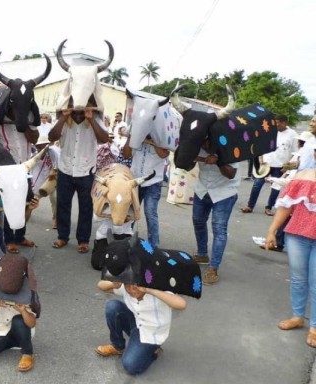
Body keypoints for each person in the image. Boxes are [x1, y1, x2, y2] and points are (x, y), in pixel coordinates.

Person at [264, 160, 316, 347]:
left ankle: (315, 327)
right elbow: (286, 206)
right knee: (298, 278)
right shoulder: (303, 176)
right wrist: (272, 230)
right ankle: (298, 316)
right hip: (297, 235)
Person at [49, 107, 109, 253]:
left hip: (86, 171)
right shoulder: (63, 121)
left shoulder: (95, 120)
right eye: (74, 112)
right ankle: (62, 237)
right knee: (62, 205)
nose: (77, 116)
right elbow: (52, 137)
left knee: (86, 208)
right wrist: (63, 117)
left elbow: (104, 139)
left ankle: (83, 240)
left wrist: (91, 119)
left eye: (80, 112)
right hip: (65, 170)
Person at [96, 279, 187, 375]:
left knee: (130, 365)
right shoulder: (128, 287)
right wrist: (114, 284)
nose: (132, 289)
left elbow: (181, 304)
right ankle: (118, 346)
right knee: (112, 306)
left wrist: (149, 290)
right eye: (127, 285)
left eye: (136, 286)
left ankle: (154, 351)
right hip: (136, 324)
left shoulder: (158, 291)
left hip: (151, 336)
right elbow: (100, 285)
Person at [0, 101, 39, 254]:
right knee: (9, 206)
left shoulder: (28, 120)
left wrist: (24, 125)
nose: (18, 112)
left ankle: (20, 236)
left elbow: (35, 139)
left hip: (25, 169)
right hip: (8, 172)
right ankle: (9, 240)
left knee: (26, 203)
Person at [191, 141, 240, 285]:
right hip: (202, 189)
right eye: (203, 141)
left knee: (219, 228)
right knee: (198, 221)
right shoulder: (197, 145)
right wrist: (189, 156)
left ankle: (213, 268)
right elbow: (187, 166)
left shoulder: (232, 147)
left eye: (208, 142)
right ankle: (202, 254)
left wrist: (218, 161)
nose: (205, 146)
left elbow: (231, 174)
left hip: (224, 193)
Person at [241, 115, 298, 216]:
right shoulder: (269, 131)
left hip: (280, 166)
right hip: (266, 164)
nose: (275, 125)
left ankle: (269, 207)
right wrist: (260, 156)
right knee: (257, 184)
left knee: (275, 187)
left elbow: (295, 153)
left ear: (284, 123)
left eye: (277, 123)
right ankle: (250, 206)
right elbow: (262, 144)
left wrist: (287, 167)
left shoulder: (292, 135)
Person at [124, 136, 169, 248]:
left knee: (150, 212)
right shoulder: (138, 135)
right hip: (135, 180)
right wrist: (132, 136)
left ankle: (153, 247)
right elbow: (126, 154)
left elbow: (164, 154)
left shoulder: (161, 135)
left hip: (153, 182)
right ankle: (125, 241)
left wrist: (153, 141)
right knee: (131, 212)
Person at [30, 136, 60, 229]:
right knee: (31, 200)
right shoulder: (34, 156)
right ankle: (26, 214)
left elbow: (58, 164)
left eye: (42, 145)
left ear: (46, 145)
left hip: (52, 181)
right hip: (39, 182)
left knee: (55, 199)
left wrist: (54, 170)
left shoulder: (53, 152)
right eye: (38, 146)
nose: (40, 147)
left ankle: (55, 219)